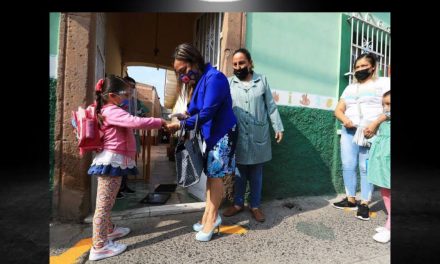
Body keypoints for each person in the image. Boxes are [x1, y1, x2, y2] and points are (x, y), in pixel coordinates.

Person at [87, 75, 167, 261]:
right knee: (103, 206)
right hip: (111, 160)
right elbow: (135, 122)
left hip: (114, 159)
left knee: (108, 202)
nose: (128, 96)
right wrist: (160, 122)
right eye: (125, 93)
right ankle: (99, 246)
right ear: (112, 95)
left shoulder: (110, 109)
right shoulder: (112, 111)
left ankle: (109, 230)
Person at [167, 43, 237, 242]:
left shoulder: (215, 78)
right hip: (211, 134)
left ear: (194, 61)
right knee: (211, 176)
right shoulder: (201, 82)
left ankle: (213, 218)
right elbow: (197, 111)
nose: (182, 76)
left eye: (183, 71)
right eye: (178, 73)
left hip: (222, 133)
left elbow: (207, 112)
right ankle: (208, 215)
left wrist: (178, 126)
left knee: (215, 177)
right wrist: (185, 115)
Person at [222, 48, 284, 222]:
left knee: (256, 173)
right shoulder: (229, 83)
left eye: (241, 63)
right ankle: (238, 204)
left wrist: (278, 127)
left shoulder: (261, 80)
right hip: (238, 133)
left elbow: (271, 106)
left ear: (250, 63)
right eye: (235, 64)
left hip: (258, 133)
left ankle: (255, 205)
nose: (238, 66)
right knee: (239, 173)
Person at [333, 53, 390, 221]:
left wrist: (375, 124)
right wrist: (346, 120)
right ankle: (351, 199)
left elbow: (388, 108)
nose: (359, 70)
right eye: (357, 67)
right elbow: (338, 109)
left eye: (363, 66)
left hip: (370, 132)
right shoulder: (350, 88)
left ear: (372, 67)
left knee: (366, 167)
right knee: (348, 165)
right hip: (349, 131)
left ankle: (364, 202)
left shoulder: (384, 83)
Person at [114, 76, 149, 199]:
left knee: (128, 161)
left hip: (132, 134)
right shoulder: (116, 100)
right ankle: (117, 189)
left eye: (133, 87)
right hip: (120, 136)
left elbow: (143, 113)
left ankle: (124, 186)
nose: (131, 89)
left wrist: (141, 115)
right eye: (129, 86)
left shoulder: (134, 101)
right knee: (118, 162)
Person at [367, 90, 391, 243]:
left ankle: (390, 227)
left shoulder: (383, 117)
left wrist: (376, 121)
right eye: (384, 104)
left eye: (389, 103)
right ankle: (390, 221)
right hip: (382, 157)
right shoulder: (384, 119)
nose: (386, 108)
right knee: (384, 188)